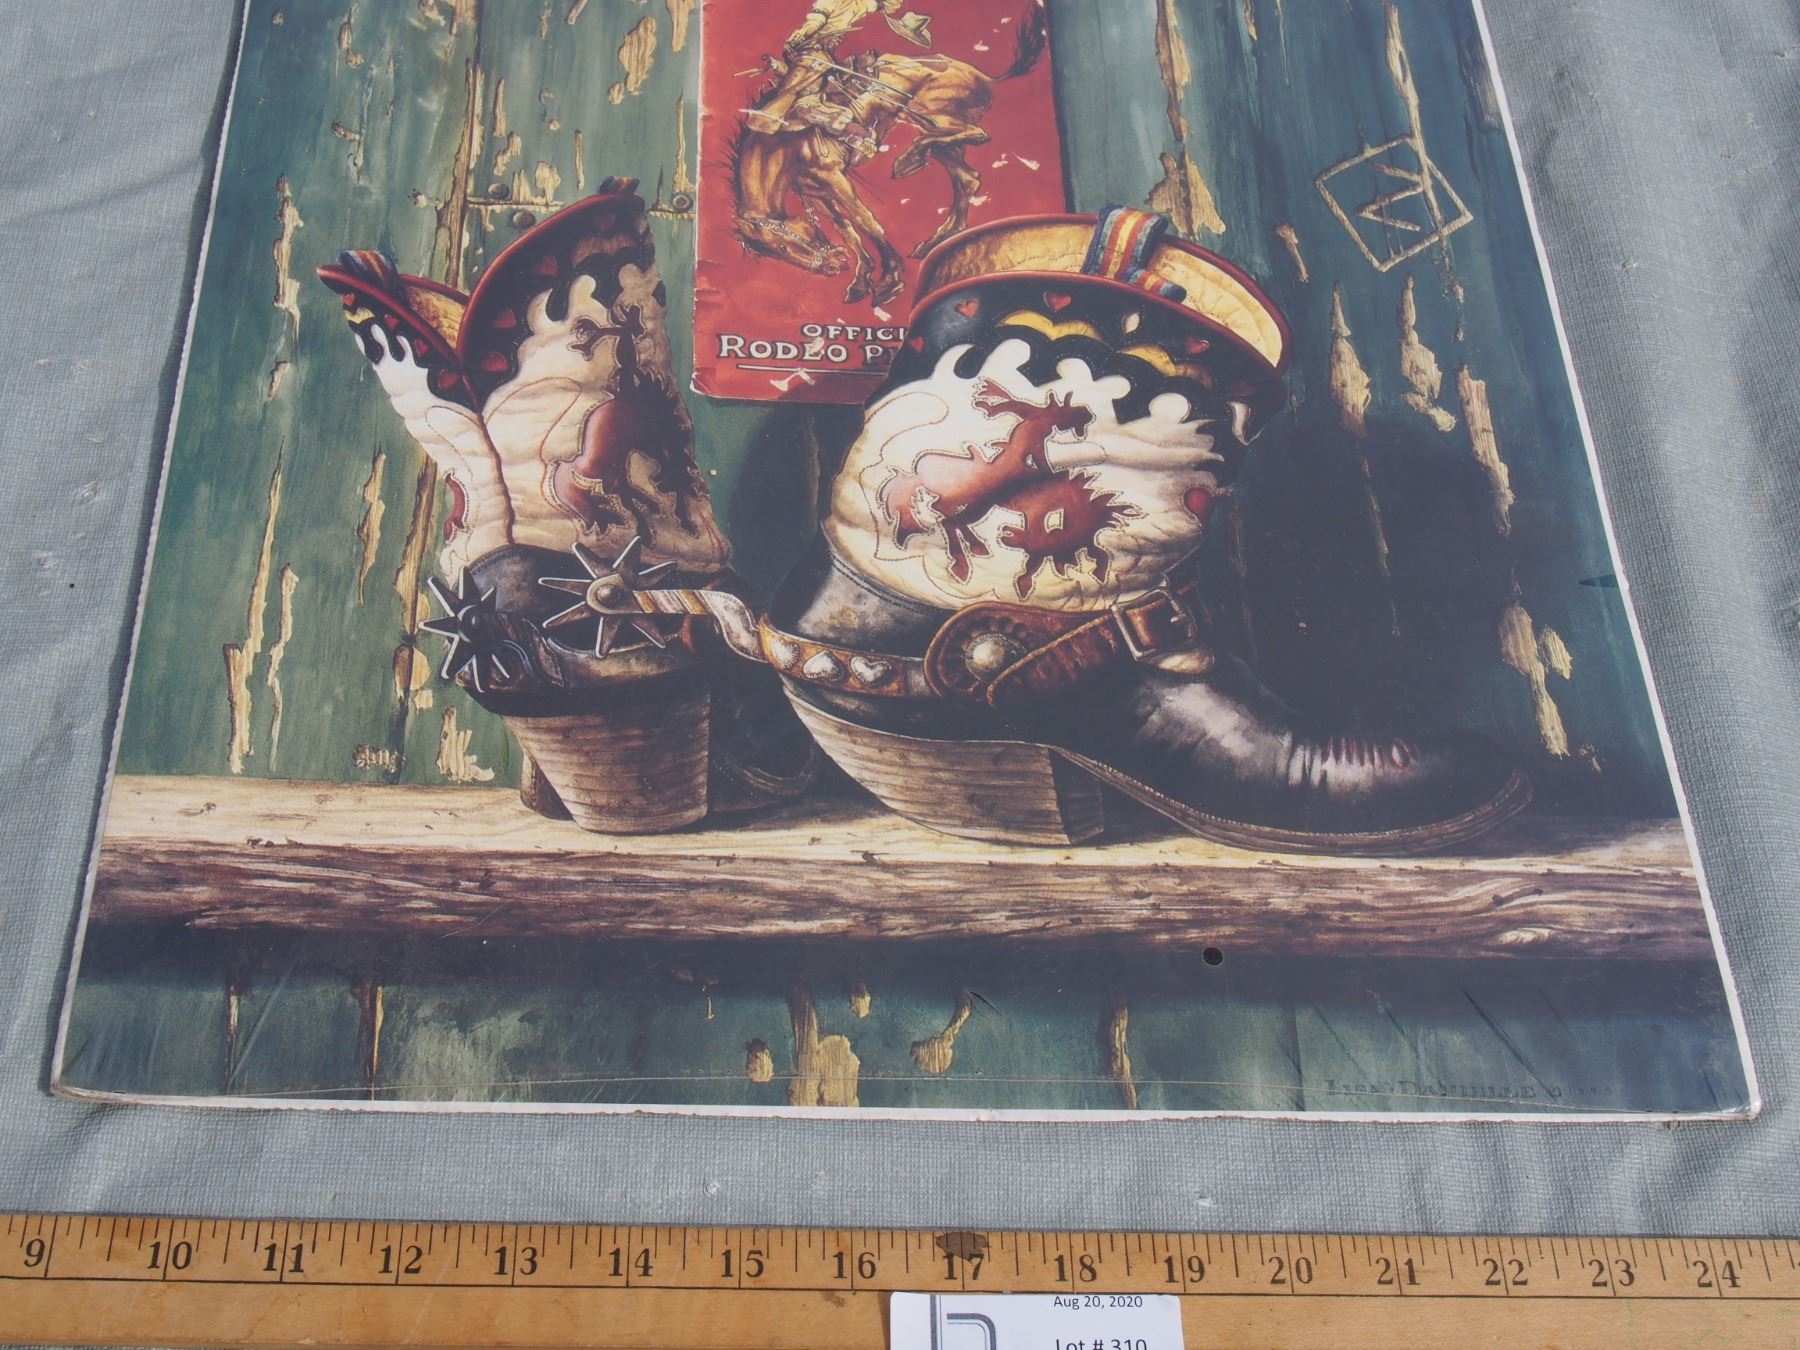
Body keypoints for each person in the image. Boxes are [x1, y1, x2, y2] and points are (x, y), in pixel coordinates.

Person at [746, 0, 933, 156]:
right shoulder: (865, 6)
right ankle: (854, 134)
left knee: (799, 105)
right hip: (824, 59)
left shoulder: (843, 4)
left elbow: (815, 22)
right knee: (796, 99)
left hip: (816, 56)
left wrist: (799, 36)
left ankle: (857, 134)